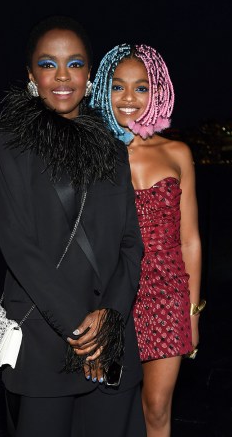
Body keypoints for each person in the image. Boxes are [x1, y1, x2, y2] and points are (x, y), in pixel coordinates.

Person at [0, 17, 147, 437]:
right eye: (47, 63)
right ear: (31, 76)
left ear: (90, 76)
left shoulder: (113, 147)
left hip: (113, 339)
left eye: (74, 64)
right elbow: (18, 246)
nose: (62, 76)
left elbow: (130, 242)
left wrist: (110, 317)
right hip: (44, 342)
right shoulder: (5, 140)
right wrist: (82, 330)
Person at [90, 44, 205, 437]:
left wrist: (193, 312)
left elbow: (189, 240)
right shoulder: (95, 154)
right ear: (103, 89)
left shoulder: (177, 152)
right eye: (118, 86)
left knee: (156, 407)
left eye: (141, 87)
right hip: (114, 293)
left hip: (167, 293)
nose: (129, 98)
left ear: (157, 91)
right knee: (113, 411)